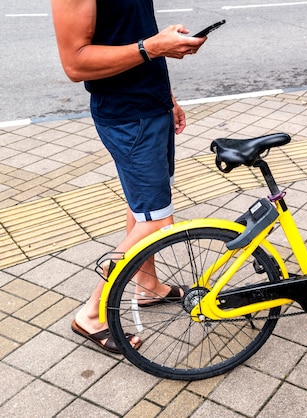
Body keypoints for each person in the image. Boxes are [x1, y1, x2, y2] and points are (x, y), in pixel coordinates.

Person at [51, 0, 207, 353]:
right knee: (157, 223)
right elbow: (75, 64)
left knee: (144, 211)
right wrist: (153, 46)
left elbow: (132, 33)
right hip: (128, 117)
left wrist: (166, 97)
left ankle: (147, 286)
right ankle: (92, 315)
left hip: (150, 108)